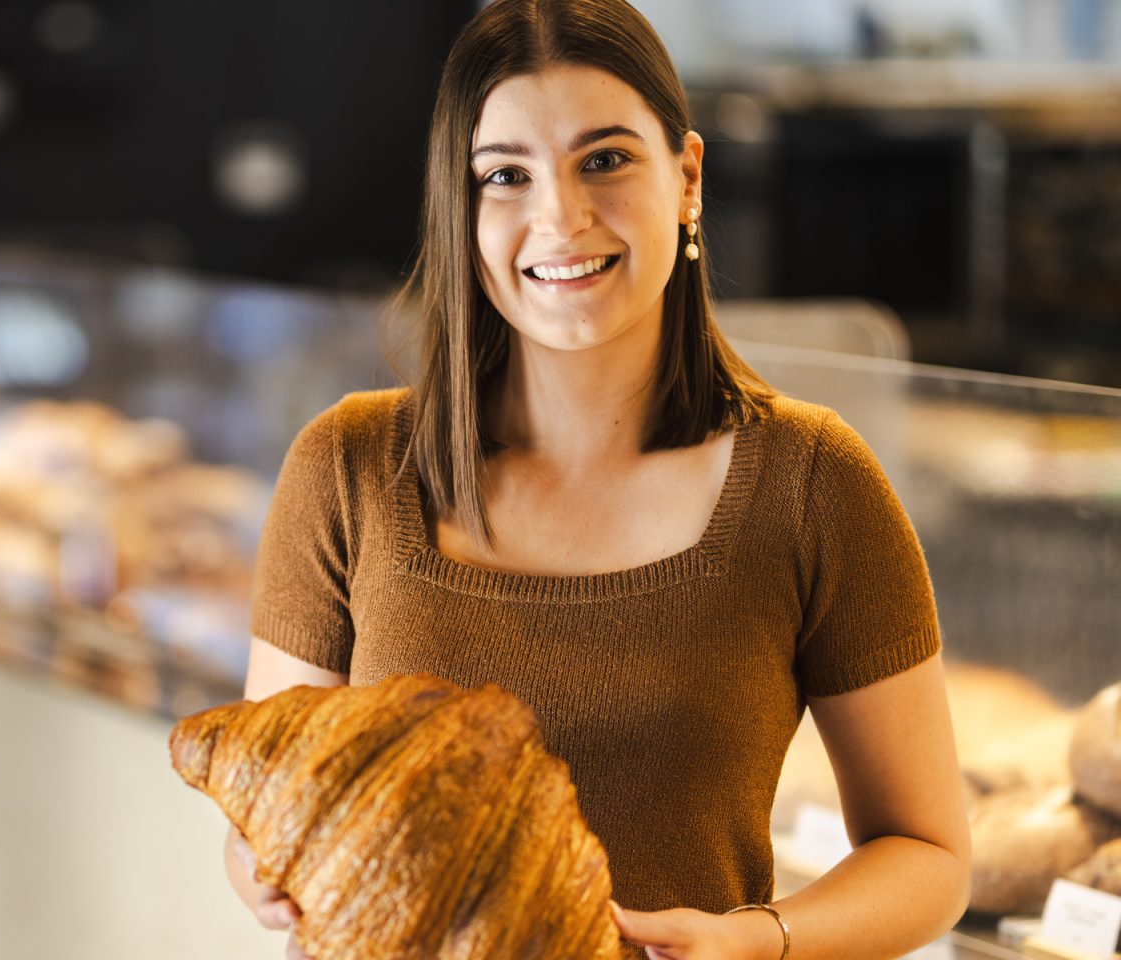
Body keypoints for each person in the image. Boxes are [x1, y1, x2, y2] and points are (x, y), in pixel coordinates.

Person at [224, 1, 971, 957]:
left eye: (605, 160)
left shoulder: (813, 482)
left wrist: (761, 940)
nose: (560, 218)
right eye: (506, 175)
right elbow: (263, 808)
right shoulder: (348, 470)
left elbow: (929, 852)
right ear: (462, 207)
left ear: (687, 177)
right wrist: (267, 867)